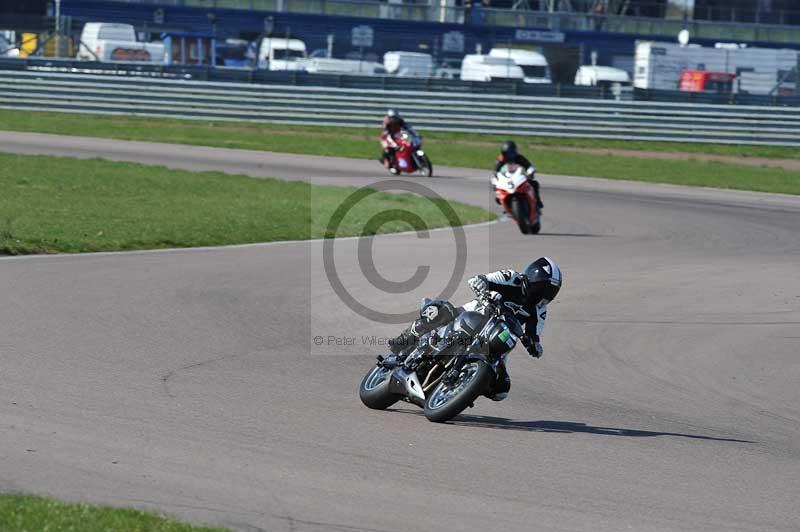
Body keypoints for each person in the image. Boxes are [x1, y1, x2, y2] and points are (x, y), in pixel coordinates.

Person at [388, 257, 562, 401]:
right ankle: (404, 340)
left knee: (501, 389)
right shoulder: (512, 278)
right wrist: (480, 284)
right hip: (472, 315)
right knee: (439, 312)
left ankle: (460, 389)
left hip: (497, 336)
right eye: (542, 288)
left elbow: (534, 335)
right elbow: (480, 279)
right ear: (532, 277)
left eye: (550, 292)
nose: (544, 295)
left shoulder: (539, 309)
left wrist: (535, 346)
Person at [493, 140, 544, 208]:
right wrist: (497, 178)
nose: (510, 155)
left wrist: (530, 172)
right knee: (494, 183)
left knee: (534, 184)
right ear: (503, 153)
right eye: (508, 154)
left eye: (512, 153)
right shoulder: (500, 160)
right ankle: (500, 198)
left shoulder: (519, 157)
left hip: (519, 178)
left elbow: (528, 165)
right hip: (506, 179)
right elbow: (496, 171)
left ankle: (537, 200)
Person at [380, 109, 416, 174]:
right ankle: (390, 165)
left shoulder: (400, 120)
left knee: (407, 144)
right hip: (386, 137)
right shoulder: (386, 122)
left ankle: (410, 160)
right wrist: (395, 145)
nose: (394, 119)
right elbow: (387, 135)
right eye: (392, 118)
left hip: (397, 134)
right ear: (389, 117)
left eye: (395, 117)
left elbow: (407, 127)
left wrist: (414, 134)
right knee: (388, 150)